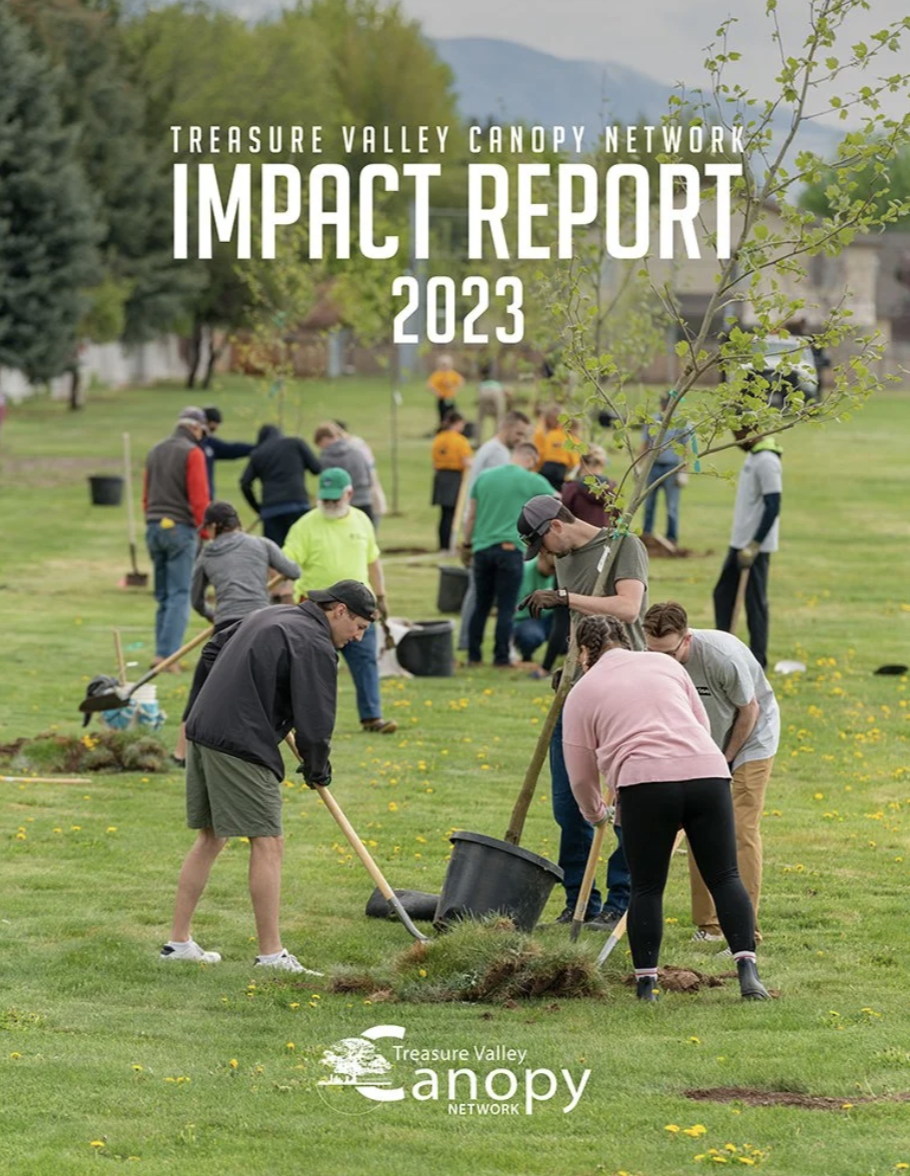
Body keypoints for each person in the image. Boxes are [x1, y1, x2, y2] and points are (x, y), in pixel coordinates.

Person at [162, 580, 378, 972]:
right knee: (268, 842)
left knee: (212, 836)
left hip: (203, 727)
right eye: (359, 626)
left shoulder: (272, 612)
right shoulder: (314, 644)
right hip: (239, 740)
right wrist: (317, 769)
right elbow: (316, 720)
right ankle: (271, 955)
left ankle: (178, 943)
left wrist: (246, 692)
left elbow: (213, 649)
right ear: (339, 610)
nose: (359, 637)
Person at [563, 615, 770, 1002]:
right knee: (725, 876)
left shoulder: (583, 690)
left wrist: (594, 813)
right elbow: (700, 721)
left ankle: (646, 985)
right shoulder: (663, 664)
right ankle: (748, 972)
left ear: (584, 652)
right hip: (707, 772)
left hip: (645, 784)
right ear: (627, 639)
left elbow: (579, 774)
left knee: (647, 886)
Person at [517, 496, 649, 929]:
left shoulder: (624, 545)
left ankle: (619, 902)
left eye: (542, 544)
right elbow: (579, 623)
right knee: (568, 804)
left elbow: (629, 607)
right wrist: (567, 666)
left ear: (556, 526)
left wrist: (565, 596)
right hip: (578, 688)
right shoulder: (564, 561)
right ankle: (579, 903)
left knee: (629, 801)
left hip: (626, 686)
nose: (544, 555)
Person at [643, 601, 780, 944]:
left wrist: (725, 759)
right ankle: (710, 926)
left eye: (669, 654)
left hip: (749, 741)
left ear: (686, 639)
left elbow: (749, 711)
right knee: (698, 826)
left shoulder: (723, 657)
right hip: (701, 744)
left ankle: (745, 929)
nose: (662, 662)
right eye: (653, 652)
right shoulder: (652, 658)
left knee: (738, 828)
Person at [171, 500, 303, 766]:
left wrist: (212, 614)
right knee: (269, 690)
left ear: (214, 526)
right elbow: (293, 571)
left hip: (225, 629)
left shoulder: (207, 555)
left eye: (206, 527)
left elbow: (196, 600)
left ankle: (180, 754)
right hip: (261, 626)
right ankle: (302, 753)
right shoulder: (262, 544)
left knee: (202, 687)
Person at [283, 468, 397, 735]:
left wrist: (380, 597)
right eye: (326, 499)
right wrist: (287, 601)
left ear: (349, 493)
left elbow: (373, 560)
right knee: (313, 669)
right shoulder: (304, 526)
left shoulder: (362, 521)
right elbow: (286, 566)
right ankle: (306, 721)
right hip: (318, 611)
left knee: (366, 659)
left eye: (336, 498)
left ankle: (372, 717)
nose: (331, 503)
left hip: (359, 609)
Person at [463, 444, 555, 667]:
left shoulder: (484, 478)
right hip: (510, 549)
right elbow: (555, 505)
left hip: (482, 549)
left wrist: (467, 543)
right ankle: (501, 656)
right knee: (506, 606)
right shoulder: (534, 481)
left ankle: (474, 655)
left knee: (481, 605)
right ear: (532, 460)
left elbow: (472, 515)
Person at [457, 411, 532, 653]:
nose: (521, 440)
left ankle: (469, 644)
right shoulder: (499, 454)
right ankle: (485, 646)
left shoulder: (489, 448)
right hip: (489, 530)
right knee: (486, 596)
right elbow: (504, 491)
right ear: (507, 428)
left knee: (478, 594)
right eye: (519, 434)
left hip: (479, 526)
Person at [143, 406, 211, 665]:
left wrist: (151, 520)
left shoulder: (155, 450)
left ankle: (161, 650)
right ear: (195, 427)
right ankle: (168, 655)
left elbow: (145, 496)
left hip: (153, 526)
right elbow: (199, 498)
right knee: (180, 593)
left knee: (162, 594)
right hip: (180, 529)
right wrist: (205, 531)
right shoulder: (192, 453)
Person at [713, 432, 783, 669]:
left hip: (754, 546)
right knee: (723, 595)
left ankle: (758, 662)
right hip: (739, 541)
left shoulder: (767, 461)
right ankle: (723, 653)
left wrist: (755, 544)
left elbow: (773, 506)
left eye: (738, 434)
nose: (736, 440)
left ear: (752, 431)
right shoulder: (753, 456)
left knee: (755, 604)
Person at [239, 425, 322, 547]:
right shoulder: (296, 443)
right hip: (297, 504)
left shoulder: (258, 453)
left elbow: (245, 483)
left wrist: (258, 508)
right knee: (303, 547)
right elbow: (316, 469)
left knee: (276, 555)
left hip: (271, 510)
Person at [640, 393, 692, 546]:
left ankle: (671, 538)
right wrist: (639, 466)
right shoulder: (652, 421)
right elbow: (645, 445)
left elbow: (686, 449)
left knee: (672, 506)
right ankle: (647, 536)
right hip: (653, 467)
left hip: (672, 468)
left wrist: (684, 471)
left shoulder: (681, 424)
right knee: (649, 503)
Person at [333, 420, 388, 531]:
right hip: (360, 485)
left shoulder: (354, 445)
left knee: (373, 509)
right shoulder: (345, 446)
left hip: (364, 484)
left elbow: (368, 465)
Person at [313, 422, 374, 521]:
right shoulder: (357, 451)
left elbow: (328, 484)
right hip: (365, 499)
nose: (321, 448)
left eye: (320, 444)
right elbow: (369, 475)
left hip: (344, 505)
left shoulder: (328, 458)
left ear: (324, 439)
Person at [431, 412, 472, 552]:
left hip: (441, 476)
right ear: (457, 423)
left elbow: (434, 462)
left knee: (444, 513)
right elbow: (466, 461)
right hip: (455, 477)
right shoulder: (460, 441)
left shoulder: (438, 438)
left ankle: (443, 544)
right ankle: (449, 544)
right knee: (452, 513)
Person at [513, 550, 557, 664]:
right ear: (540, 557)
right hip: (526, 618)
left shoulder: (560, 574)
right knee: (531, 636)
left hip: (550, 617)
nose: (553, 572)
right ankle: (526, 655)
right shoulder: (522, 572)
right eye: (551, 567)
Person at [200, 407, 255, 497]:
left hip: (206, 497)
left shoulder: (210, 443)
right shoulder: (195, 444)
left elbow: (231, 450)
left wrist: (256, 447)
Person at [560, 445, 618, 528]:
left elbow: (564, 517)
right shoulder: (613, 489)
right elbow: (618, 518)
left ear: (581, 462)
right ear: (603, 462)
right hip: (606, 537)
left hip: (578, 536)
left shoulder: (571, 488)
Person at [535, 409, 581, 491]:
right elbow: (574, 458)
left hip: (547, 466)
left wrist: (538, 466)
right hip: (560, 469)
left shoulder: (551, 434)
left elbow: (543, 453)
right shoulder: (571, 438)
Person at [475, 359, 507, 442]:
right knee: (499, 418)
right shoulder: (498, 383)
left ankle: (478, 440)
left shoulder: (482, 382)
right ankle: (497, 440)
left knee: (480, 418)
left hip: (483, 391)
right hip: (496, 392)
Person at [427, 354, 465, 422]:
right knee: (442, 415)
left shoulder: (452, 374)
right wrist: (437, 392)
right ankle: (443, 428)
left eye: (447, 365)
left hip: (450, 398)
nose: (445, 367)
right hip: (442, 398)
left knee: (453, 414)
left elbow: (461, 382)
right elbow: (430, 385)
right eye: (443, 365)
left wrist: (454, 388)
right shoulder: (438, 374)